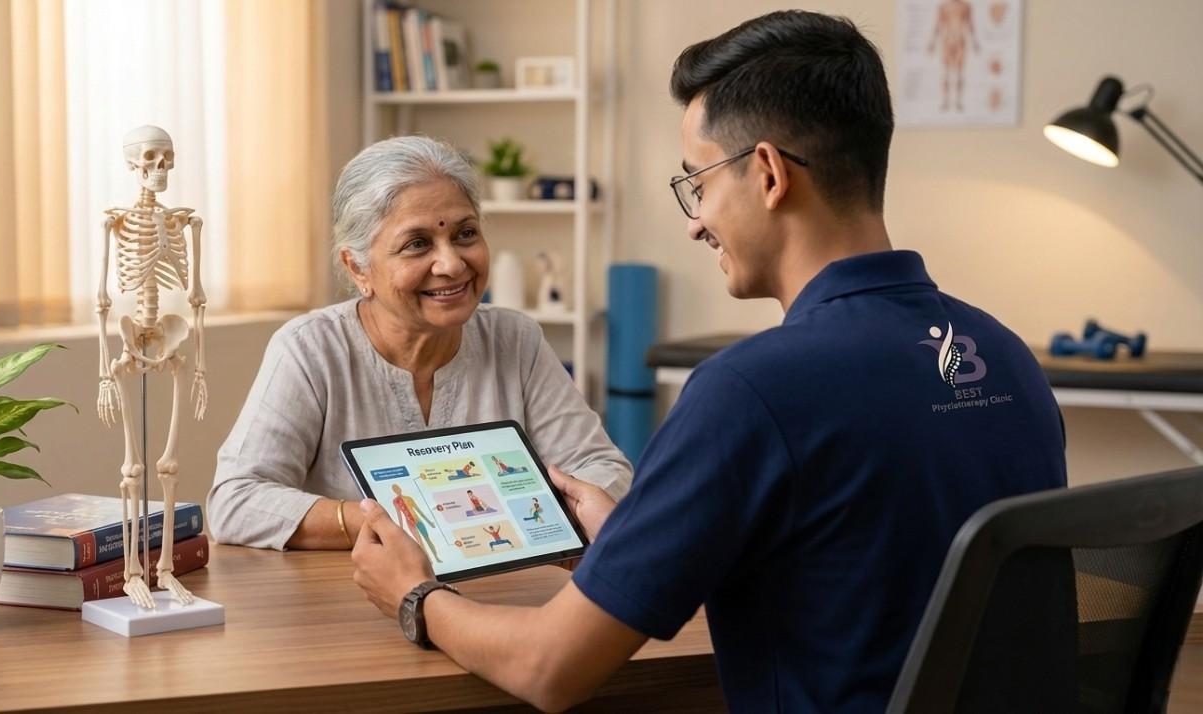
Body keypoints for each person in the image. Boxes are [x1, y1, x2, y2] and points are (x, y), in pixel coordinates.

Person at [349, 11, 1065, 712]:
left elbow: (549, 668)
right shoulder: (1002, 356)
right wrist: (639, 539)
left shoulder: (752, 391)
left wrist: (416, 595)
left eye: (699, 180)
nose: (695, 219)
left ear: (768, 174)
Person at [208, 136, 632, 552]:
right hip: (350, 600)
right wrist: (394, 520)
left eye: (466, 234)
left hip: (502, 597)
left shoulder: (514, 339)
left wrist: (507, 514)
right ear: (358, 268)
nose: (451, 264)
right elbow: (236, 501)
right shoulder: (311, 350)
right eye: (417, 244)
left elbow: (604, 471)